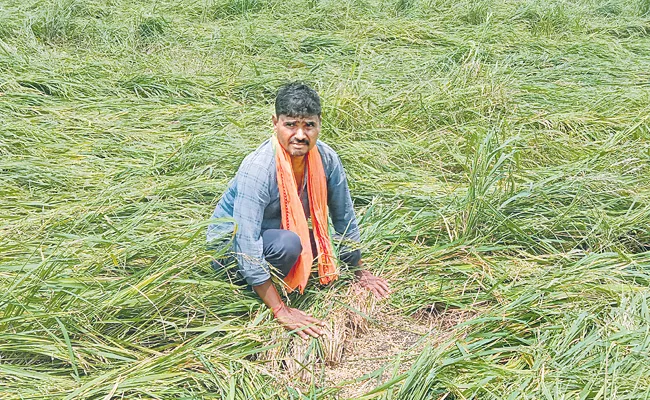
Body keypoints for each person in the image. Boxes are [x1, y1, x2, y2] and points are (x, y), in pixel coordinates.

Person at [207, 82, 390, 339]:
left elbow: (343, 217)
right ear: (275, 122)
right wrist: (280, 310)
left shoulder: (327, 159)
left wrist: (359, 271)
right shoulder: (258, 168)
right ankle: (254, 289)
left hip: (270, 235)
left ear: (319, 124)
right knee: (290, 244)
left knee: (319, 247)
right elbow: (245, 242)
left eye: (309, 125)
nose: (300, 135)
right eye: (291, 124)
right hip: (230, 250)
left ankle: (281, 274)